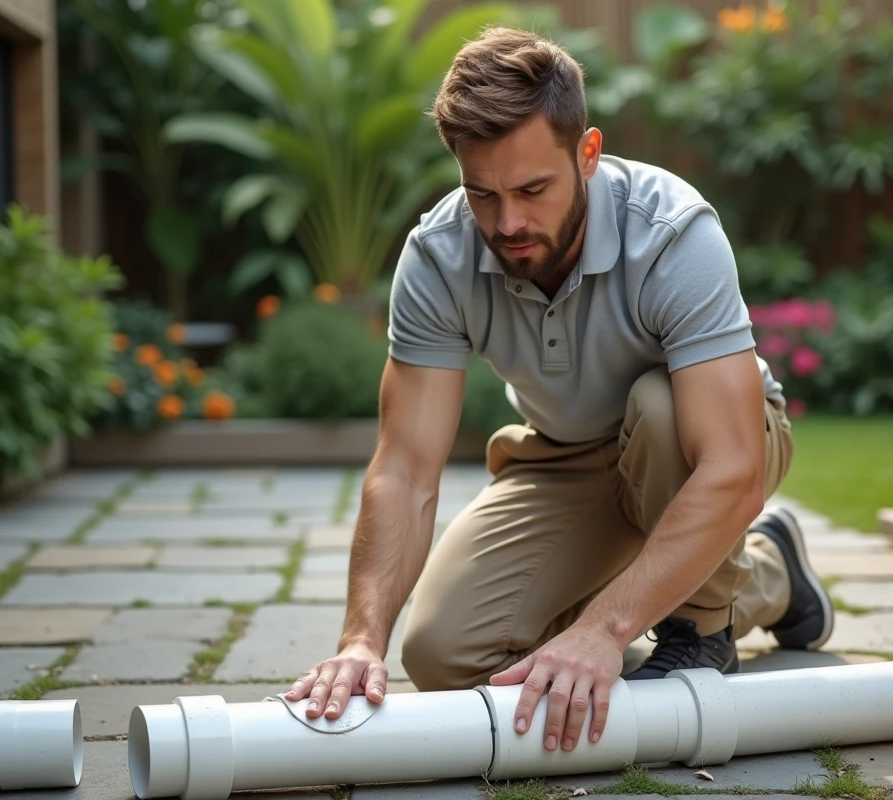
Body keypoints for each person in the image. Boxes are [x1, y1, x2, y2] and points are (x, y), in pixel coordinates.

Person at [284, 26, 833, 754]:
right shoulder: (438, 255)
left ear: (589, 153)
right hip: (566, 455)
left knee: (659, 407)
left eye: (533, 190)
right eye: (483, 193)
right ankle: (768, 574)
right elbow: (406, 469)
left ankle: (699, 629)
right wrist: (361, 640)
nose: (507, 223)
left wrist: (604, 631)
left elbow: (730, 468)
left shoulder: (671, 230)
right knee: (446, 657)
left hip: (709, 443)